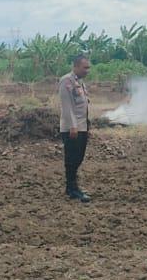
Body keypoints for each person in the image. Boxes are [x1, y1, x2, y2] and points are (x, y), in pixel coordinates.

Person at [59, 54, 92, 202]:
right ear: (76, 66)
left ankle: (72, 186)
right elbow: (67, 106)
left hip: (82, 126)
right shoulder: (67, 81)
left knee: (79, 157)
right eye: (85, 68)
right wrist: (73, 126)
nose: (87, 70)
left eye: (88, 68)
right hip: (72, 128)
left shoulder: (80, 82)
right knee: (72, 158)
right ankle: (72, 189)